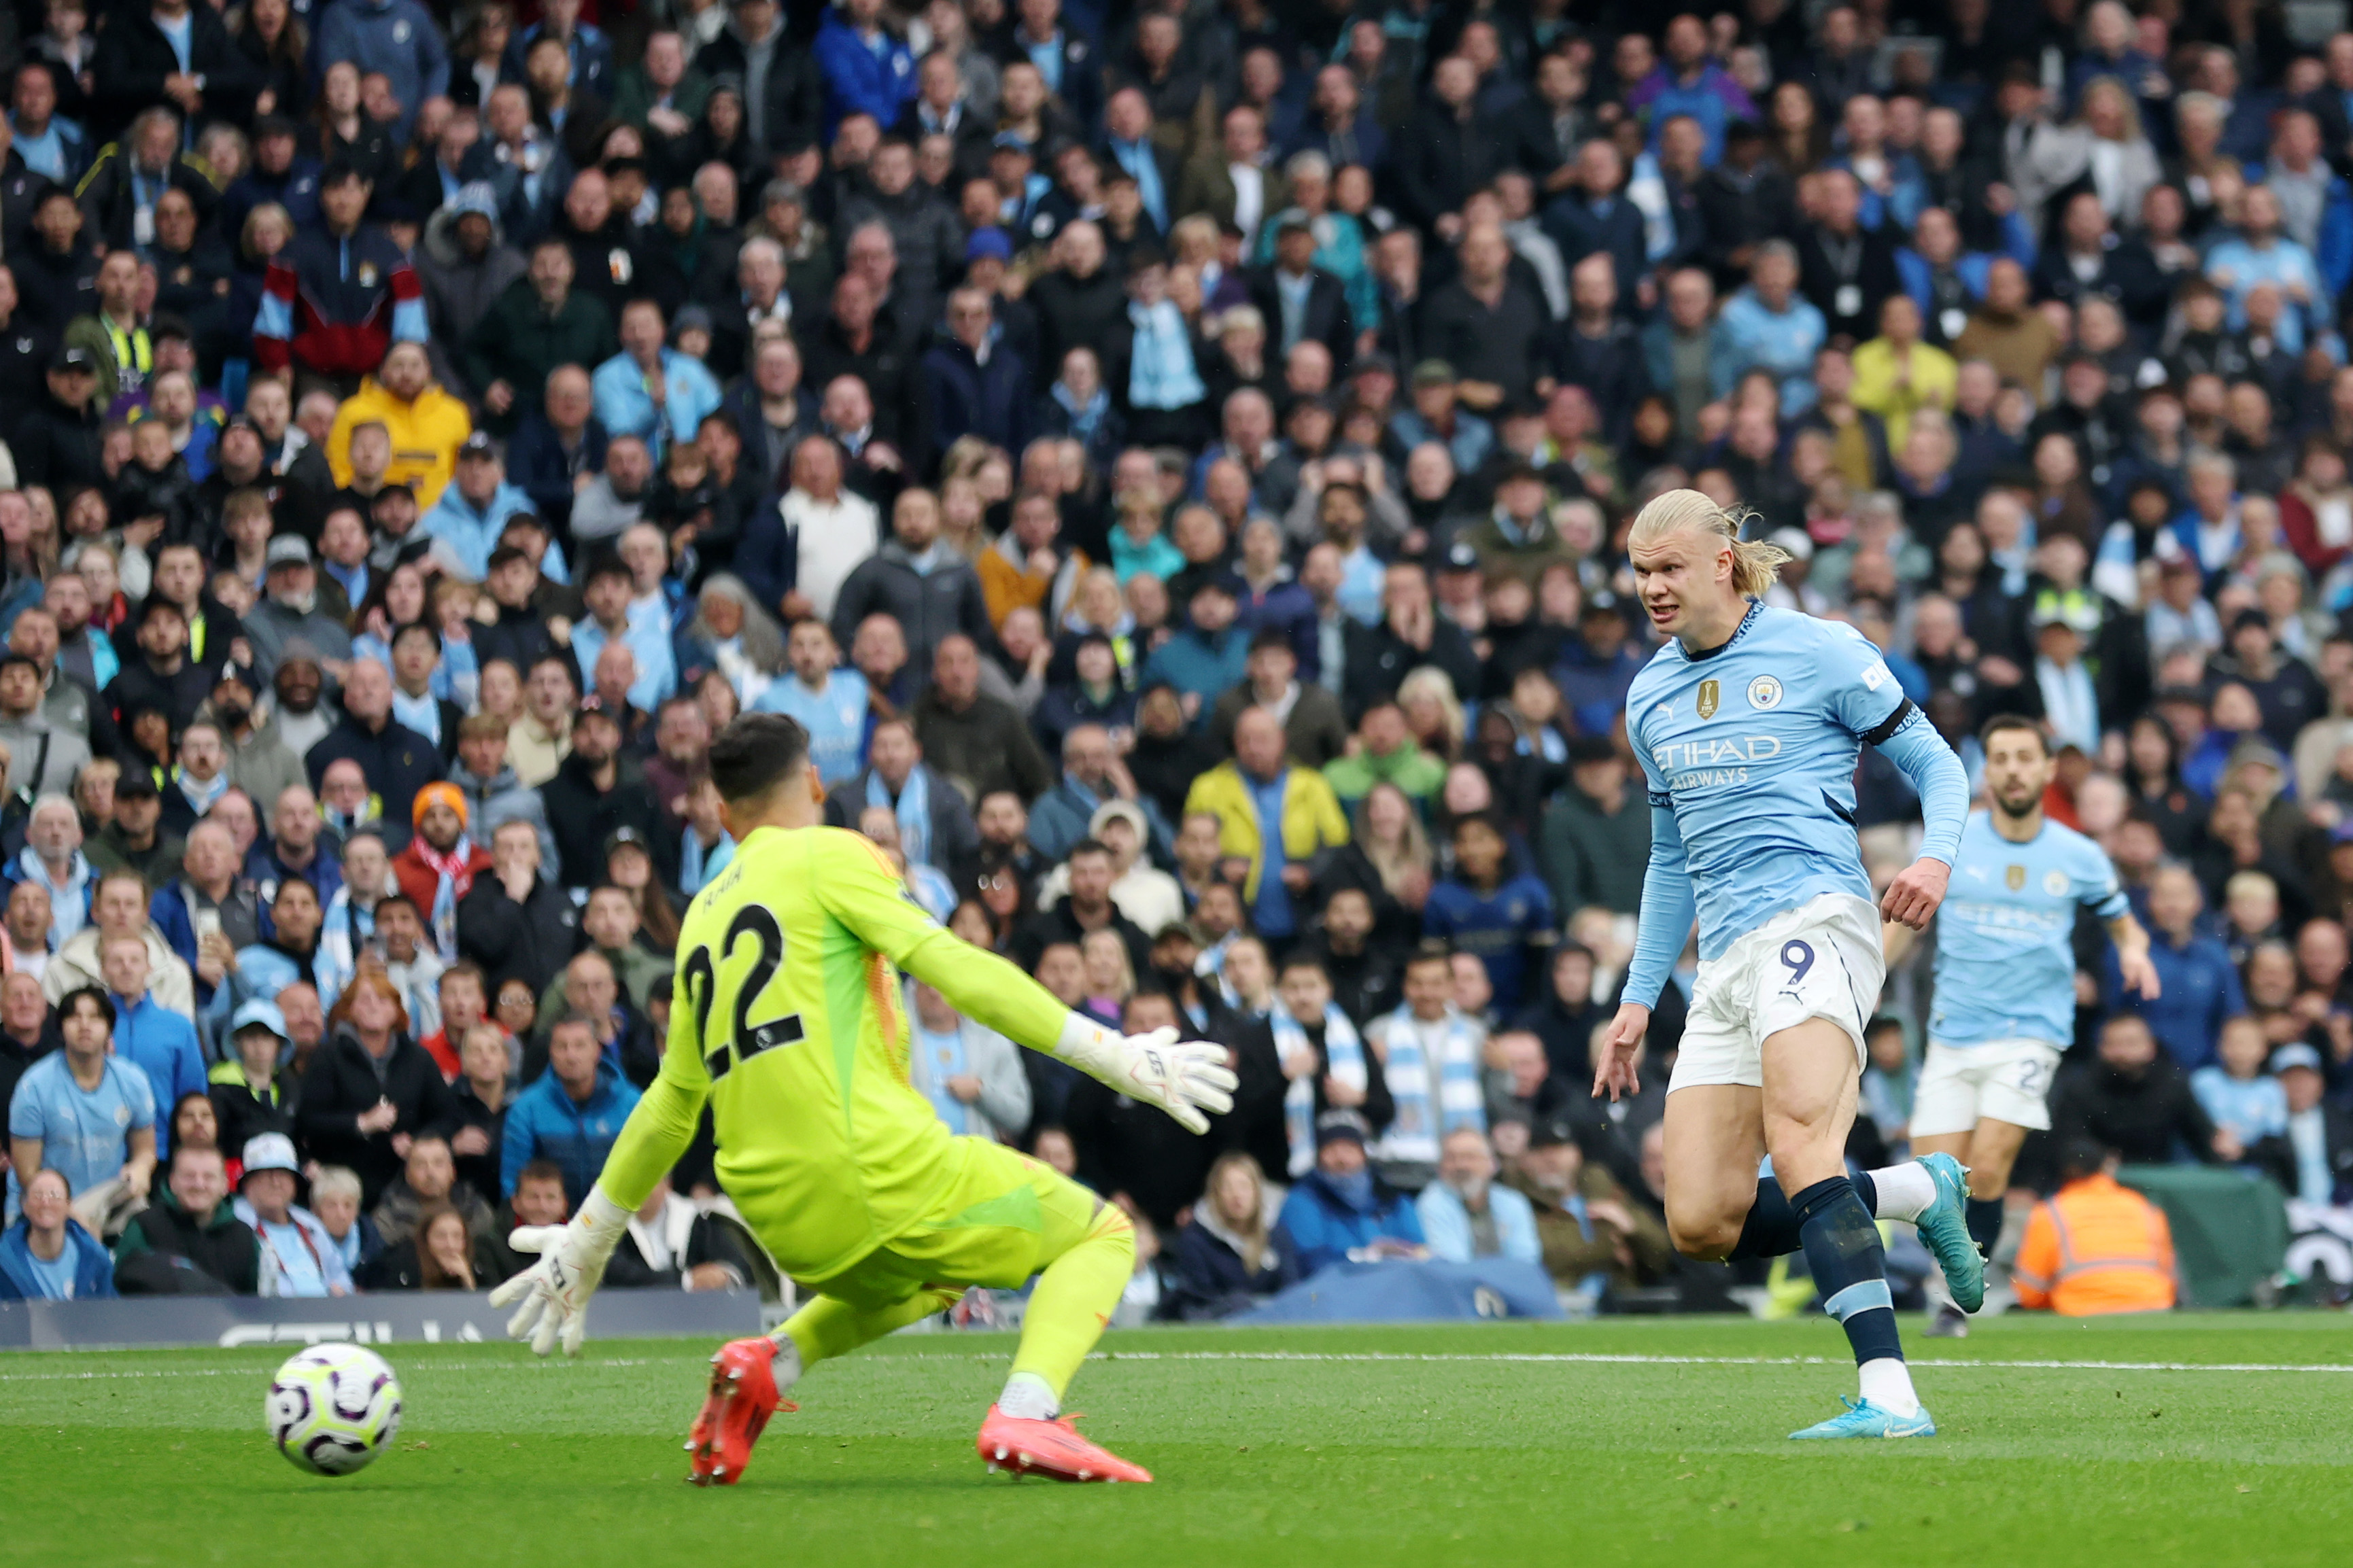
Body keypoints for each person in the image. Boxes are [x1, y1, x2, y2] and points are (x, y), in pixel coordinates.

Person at [489, 712, 1234, 1488]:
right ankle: (1027, 1412)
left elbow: (672, 1104)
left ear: (720, 809)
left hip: (782, 1220)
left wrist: (588, 1235)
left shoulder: (700, 916)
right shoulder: (831, 855)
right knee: (1102, 1237)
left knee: (938, 1272)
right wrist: (1114, 1054)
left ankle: (768, 1365)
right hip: (879, 1175)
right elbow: (952, 964)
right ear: (814, 783)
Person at [1594, 490, 1978, 1440]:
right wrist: (1639, 996)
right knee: (1701, 1219)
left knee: (1804, 1144)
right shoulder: (1649, 695)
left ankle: (1890, 1395)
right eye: (1641, 570)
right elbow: (1670, 858)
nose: (1652, 586)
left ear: (1723, 560)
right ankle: (1916, 1190)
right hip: (1722, 959)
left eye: (1669, 566)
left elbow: (1937, 765)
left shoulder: (1821, 649)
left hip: (1817, 919)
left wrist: (1934, 855)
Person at [1885, 716, 2161, 1338]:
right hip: (1953, 1031)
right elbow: (1903, 925)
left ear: (2045, 770)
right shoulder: (1949, 842)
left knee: (1987, 1161)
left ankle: (1957, 1303)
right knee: (1931, 1174)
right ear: (1988, 772)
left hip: (2030, 1031)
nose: (2011, 769)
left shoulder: (2078, 853)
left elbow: (2121, 921)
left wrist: (2136, 950)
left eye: (2023, 758)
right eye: (2000, 758)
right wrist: (1862, 977)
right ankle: (1953, 1280)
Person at [5, 987, 153, 1229]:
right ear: (61, 1028)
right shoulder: (34, 1086)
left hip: (108, 1199)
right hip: (43, 1204)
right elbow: (27, 1173)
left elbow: (146, 1149)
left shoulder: (133, 1081)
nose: (85, 1025)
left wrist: (140, 1168)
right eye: (74, 1017)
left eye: (95, 1017)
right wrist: (72, 1217)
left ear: (109, 1029)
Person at [2010, 1138, 2178, 1315]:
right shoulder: (2144, 1207)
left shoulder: (2050, 1213)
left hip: (2082, 1309)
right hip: (2152, 1305)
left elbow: (2030, 1292)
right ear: (2104, 1166)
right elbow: (2168, 1272)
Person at [1273, 1109, 1426, 1274]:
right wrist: (1367, 1257)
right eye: (1331, 1149)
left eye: (1349, 1148)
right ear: (1318, 1156)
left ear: (1363, 1153)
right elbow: (1310, 1263)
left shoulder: (1394, 1200)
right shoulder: (1302, 1201)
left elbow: (1420, 1253)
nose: (1341, 1158)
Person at [111, 1142, 260, 1295]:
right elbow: (119, 1290)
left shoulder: (244, 1236)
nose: (199, 1184)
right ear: (173, 1182)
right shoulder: (144, 1226)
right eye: (189, 1176)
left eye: (209, 1177)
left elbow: (255, 1306)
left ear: (224, 1185)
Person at [1168, 1151, 1296, 1319]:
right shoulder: (1195, 1239)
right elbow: (1198, 1300)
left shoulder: (1277, 1233)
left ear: (1257, 1191)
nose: (1237, 1196)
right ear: (1215, 1193)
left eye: (1244, 1186)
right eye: (1228, 1187)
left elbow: (1291, 1288)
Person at [231, 1131, 354, 1297]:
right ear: (247, 1184)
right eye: (266, 1175)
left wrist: (341, 1292)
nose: (275, 1183)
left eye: (282, 1174)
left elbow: (340, 1277)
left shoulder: (311, 1225)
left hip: (324, 1318)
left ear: (295, 1183)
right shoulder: (234, 1225)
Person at [1415, 1126, 1541, 1266]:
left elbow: (1526, 1262)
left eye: (1470, 1157)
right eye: (1451, 1158)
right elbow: (1452, 1266)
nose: (1460, 1165)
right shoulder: (1432, 1203)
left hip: (1509, 1284)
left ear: (1492, 1164)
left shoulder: (1513, 1203)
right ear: (1440, 1168)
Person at [0, 1166, 116, 1298]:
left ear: (68, 1205)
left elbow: (110, 1309)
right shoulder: (5, 1262)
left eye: (55, 1196)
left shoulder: (95, 1258)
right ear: (25, 1206)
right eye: (38, 1196)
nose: (46, 1203)